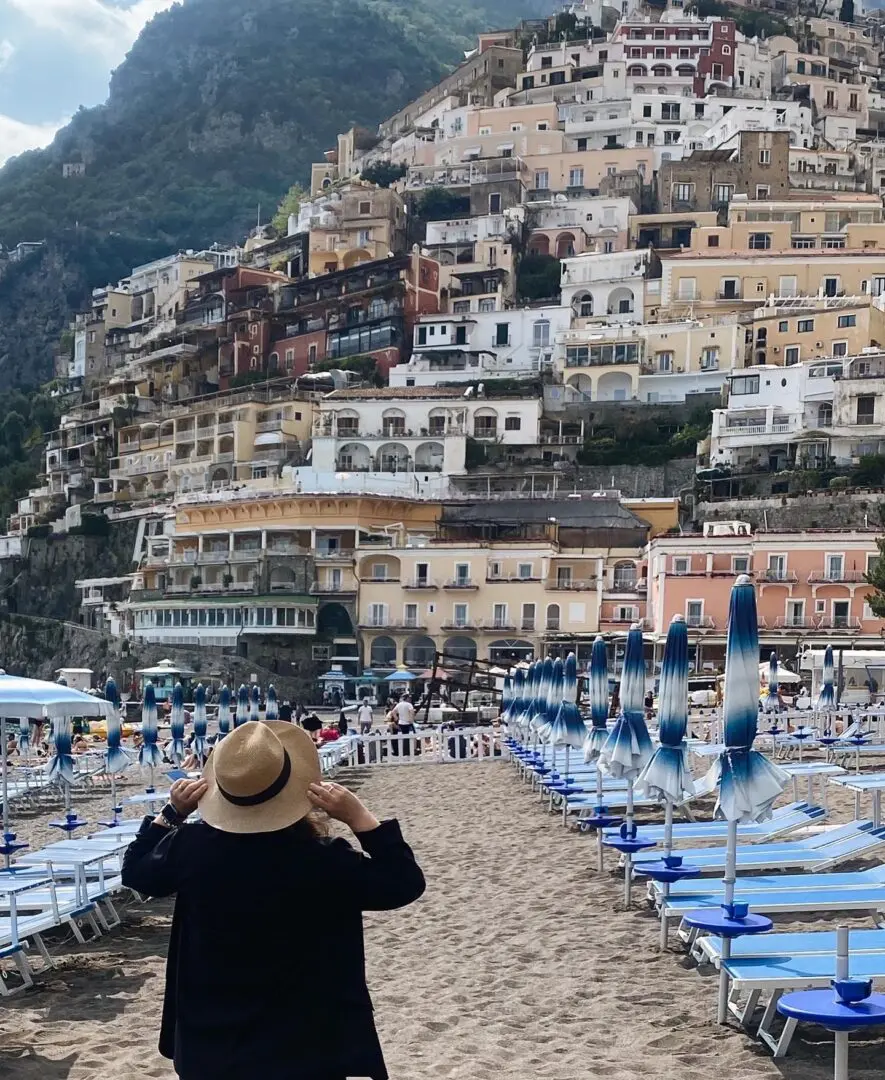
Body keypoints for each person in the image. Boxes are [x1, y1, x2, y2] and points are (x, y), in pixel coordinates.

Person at [121, 722, 425, 1080]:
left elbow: (136, 873)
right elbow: (404, 883)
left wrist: (171, 813)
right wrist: (360, 819)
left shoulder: (190, 849)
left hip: (211, 1043)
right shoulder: (323, 860)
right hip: (304, 1044)